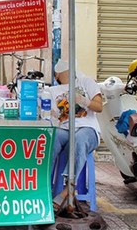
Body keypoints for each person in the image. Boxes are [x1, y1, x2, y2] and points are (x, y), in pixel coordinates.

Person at [48, 59, 102, 213]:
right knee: (51, 139)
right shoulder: (52, 91)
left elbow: (99, 107)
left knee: (79, 139)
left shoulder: (86, 82)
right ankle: (43, 186)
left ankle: (67, 190)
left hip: (88, 128)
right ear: (57, 75)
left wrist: (84, 101)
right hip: (64, 128)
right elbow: (54, 117)